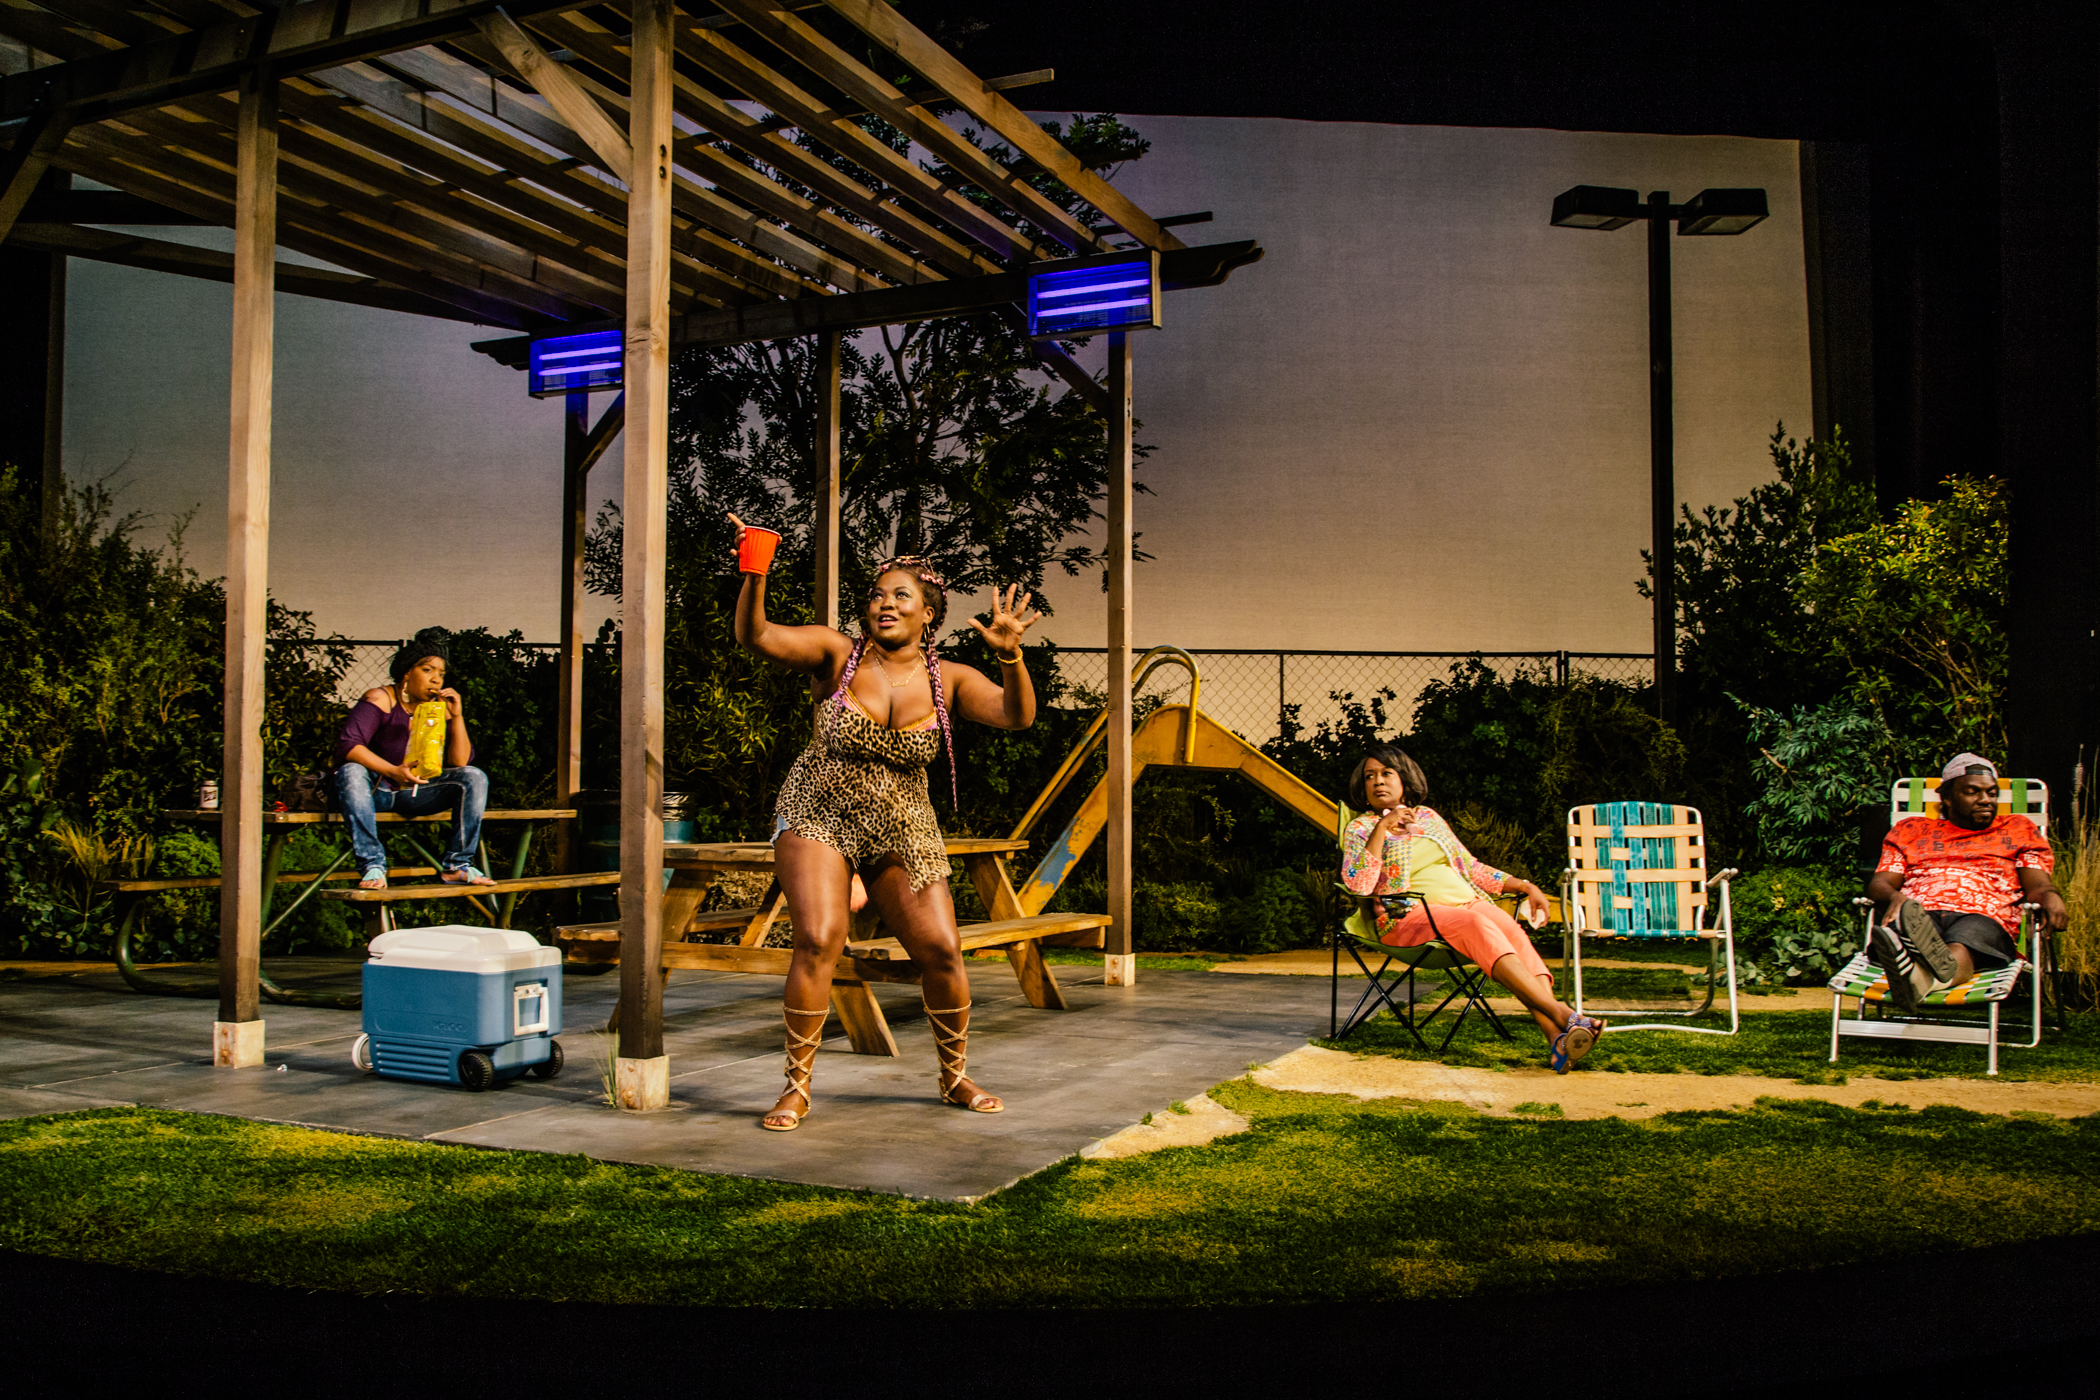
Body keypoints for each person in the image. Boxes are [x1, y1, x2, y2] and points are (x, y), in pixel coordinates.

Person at [731, 516, 1042, 1130]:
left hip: (903, 824)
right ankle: (797, 1087)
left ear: (929, 613)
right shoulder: (837, 654)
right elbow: (756, 635)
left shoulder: (947, 677)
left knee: (943, 952)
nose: (885, 603)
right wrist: (756, 564)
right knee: (819, 939)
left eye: (901, 595)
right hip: (819, 809)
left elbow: (1016, 715)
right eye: (877, 594)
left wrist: (1011, 659)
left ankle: (954, 1077)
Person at [1340, 744, 1605, 1071]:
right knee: (1475, 923)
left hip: (1464, 905)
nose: (1378, 781)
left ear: (1404, 781)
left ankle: (1556, 1038)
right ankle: (1564, 1014)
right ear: (1363, 788)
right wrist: (1382, 828)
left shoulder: (1429, 818)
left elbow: (1470, 867)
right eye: (1370, 776)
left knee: (1510, 930)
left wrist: (1525, 886)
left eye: (1386, 773)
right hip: (1403, 916)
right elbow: (1359, 884)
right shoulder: (1361, 828)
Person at [1865, 752, 2067, 1011]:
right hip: (1920, 910)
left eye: (1992, 793)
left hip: (1985, 915)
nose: (1985, 800)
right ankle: (1919, 968)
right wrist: (1896, 898)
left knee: (1966, 940)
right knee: (1913, 924)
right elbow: (1880, 883)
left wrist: (2050, 895)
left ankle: (1918, 976)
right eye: (1972, 792)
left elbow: (2038, 884)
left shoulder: (2018, 829)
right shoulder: (1910, 830)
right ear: (1947, 797)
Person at [332, 627, 495, 891]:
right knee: (351, 770)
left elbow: (460, 761)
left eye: (441, 674)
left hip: (416, 793)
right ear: (407, 673)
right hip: (377, 790)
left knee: (474, 777)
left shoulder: (437, 710)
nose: (436, 681)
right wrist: (393, 771)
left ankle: (457, 865)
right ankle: (372, 866)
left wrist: (457, 716)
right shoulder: (381, 698)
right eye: (428, 670)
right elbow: (348, 746)